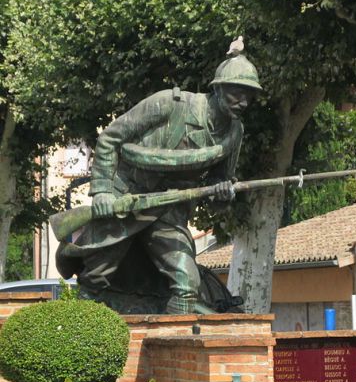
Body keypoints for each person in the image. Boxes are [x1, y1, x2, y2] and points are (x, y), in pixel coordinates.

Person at [56, 46, 262, 314]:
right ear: (219, 88)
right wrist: (103, 192)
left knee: (187, 285)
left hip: (168, 212)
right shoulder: (169, 104)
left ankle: (170, 348)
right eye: (237, 92)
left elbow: (217, 186)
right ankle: (85, 338)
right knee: (95, 278)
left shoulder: (234, 133)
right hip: (125, 201)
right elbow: (110, 138)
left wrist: (223, 194)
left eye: (249, 95)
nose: (243, 101)